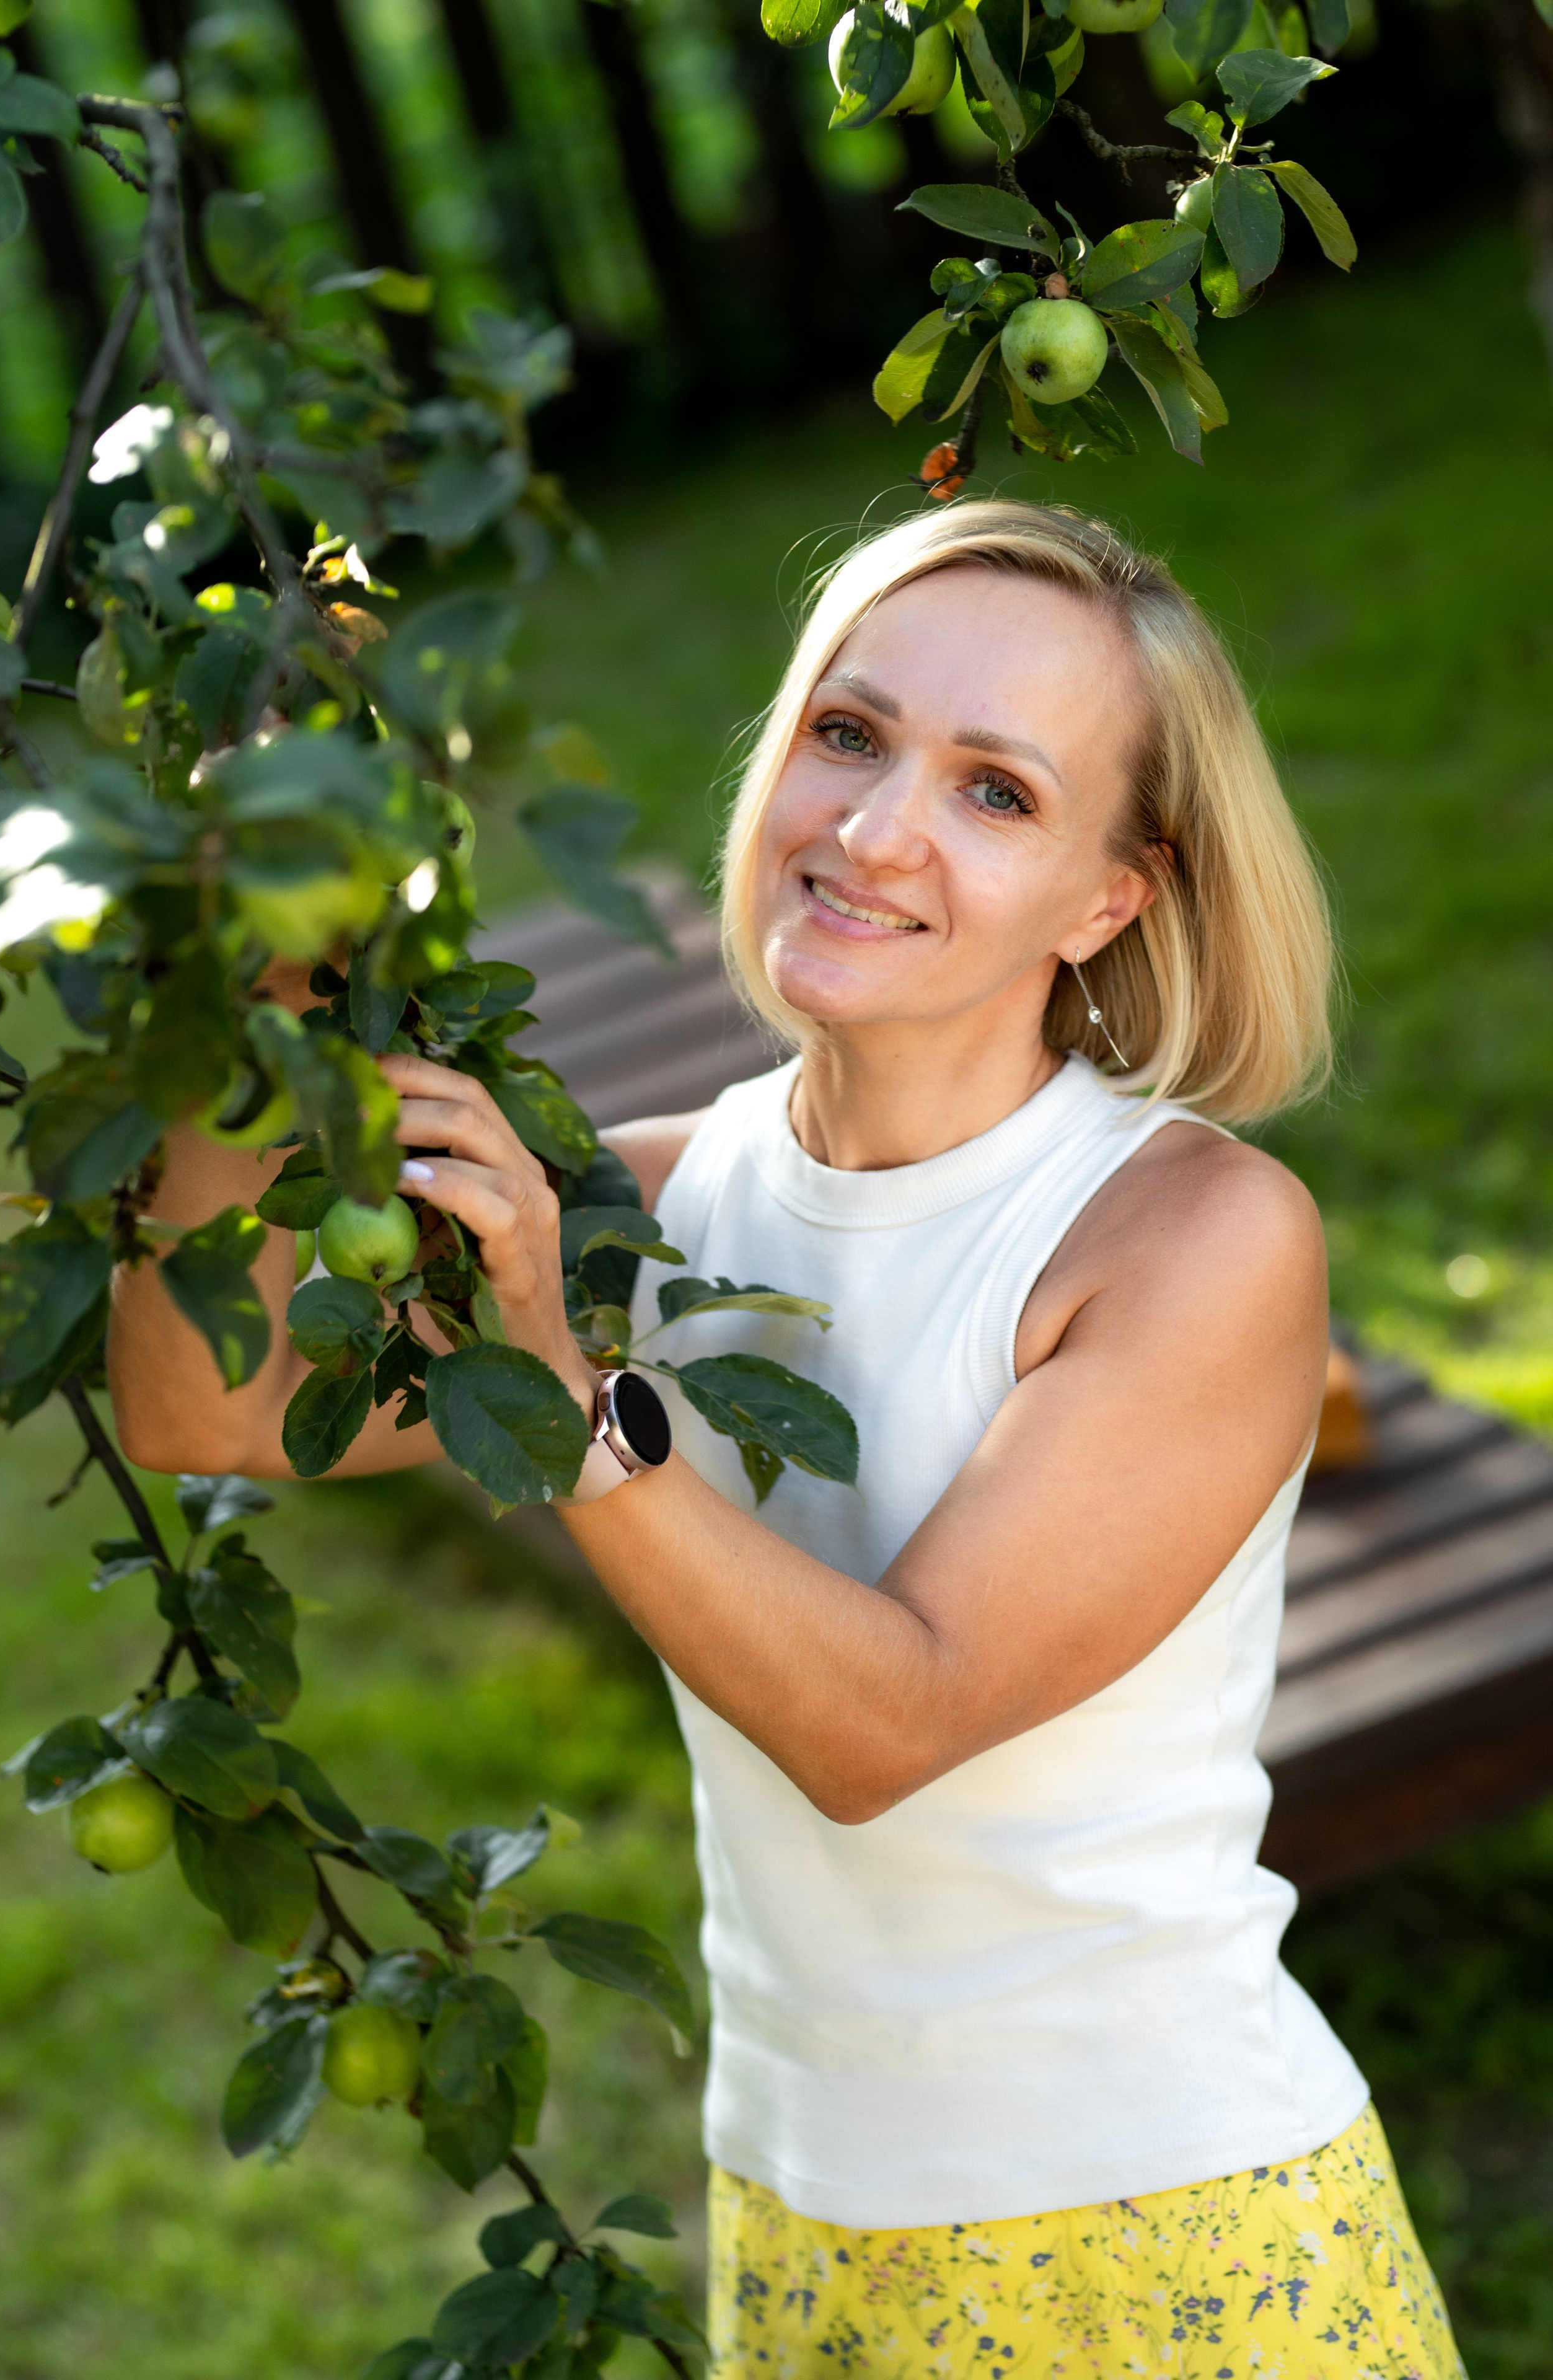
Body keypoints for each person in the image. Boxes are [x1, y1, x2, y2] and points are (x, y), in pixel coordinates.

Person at [110, 501, 1466, 2378]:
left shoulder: (1191, 1236)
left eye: (996, 791)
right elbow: (209, 1405)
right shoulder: (668, 1200)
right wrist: (246, 964)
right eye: (850, 732)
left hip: (1159, 2217)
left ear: (1110, 896)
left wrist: (564, 1398)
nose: (877, 827)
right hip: (805, 2201)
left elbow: (882, 1727)